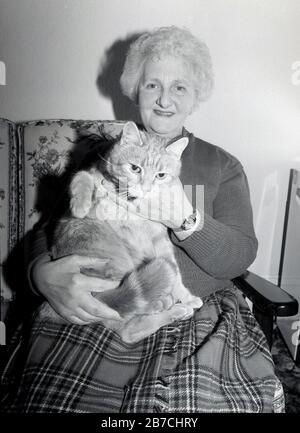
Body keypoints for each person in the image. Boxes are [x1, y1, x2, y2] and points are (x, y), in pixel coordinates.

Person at [0, 26, 284, 413]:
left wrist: (186, 219)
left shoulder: (222, 165)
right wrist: (39, 273)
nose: (165, 98)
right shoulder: (105, 155)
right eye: (152, 85)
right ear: (136, 90)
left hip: (197, 314)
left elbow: (240, 255)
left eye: (180, 87)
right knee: (55, 399)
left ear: (196, 95)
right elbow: (51, 227)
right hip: (96, 302)